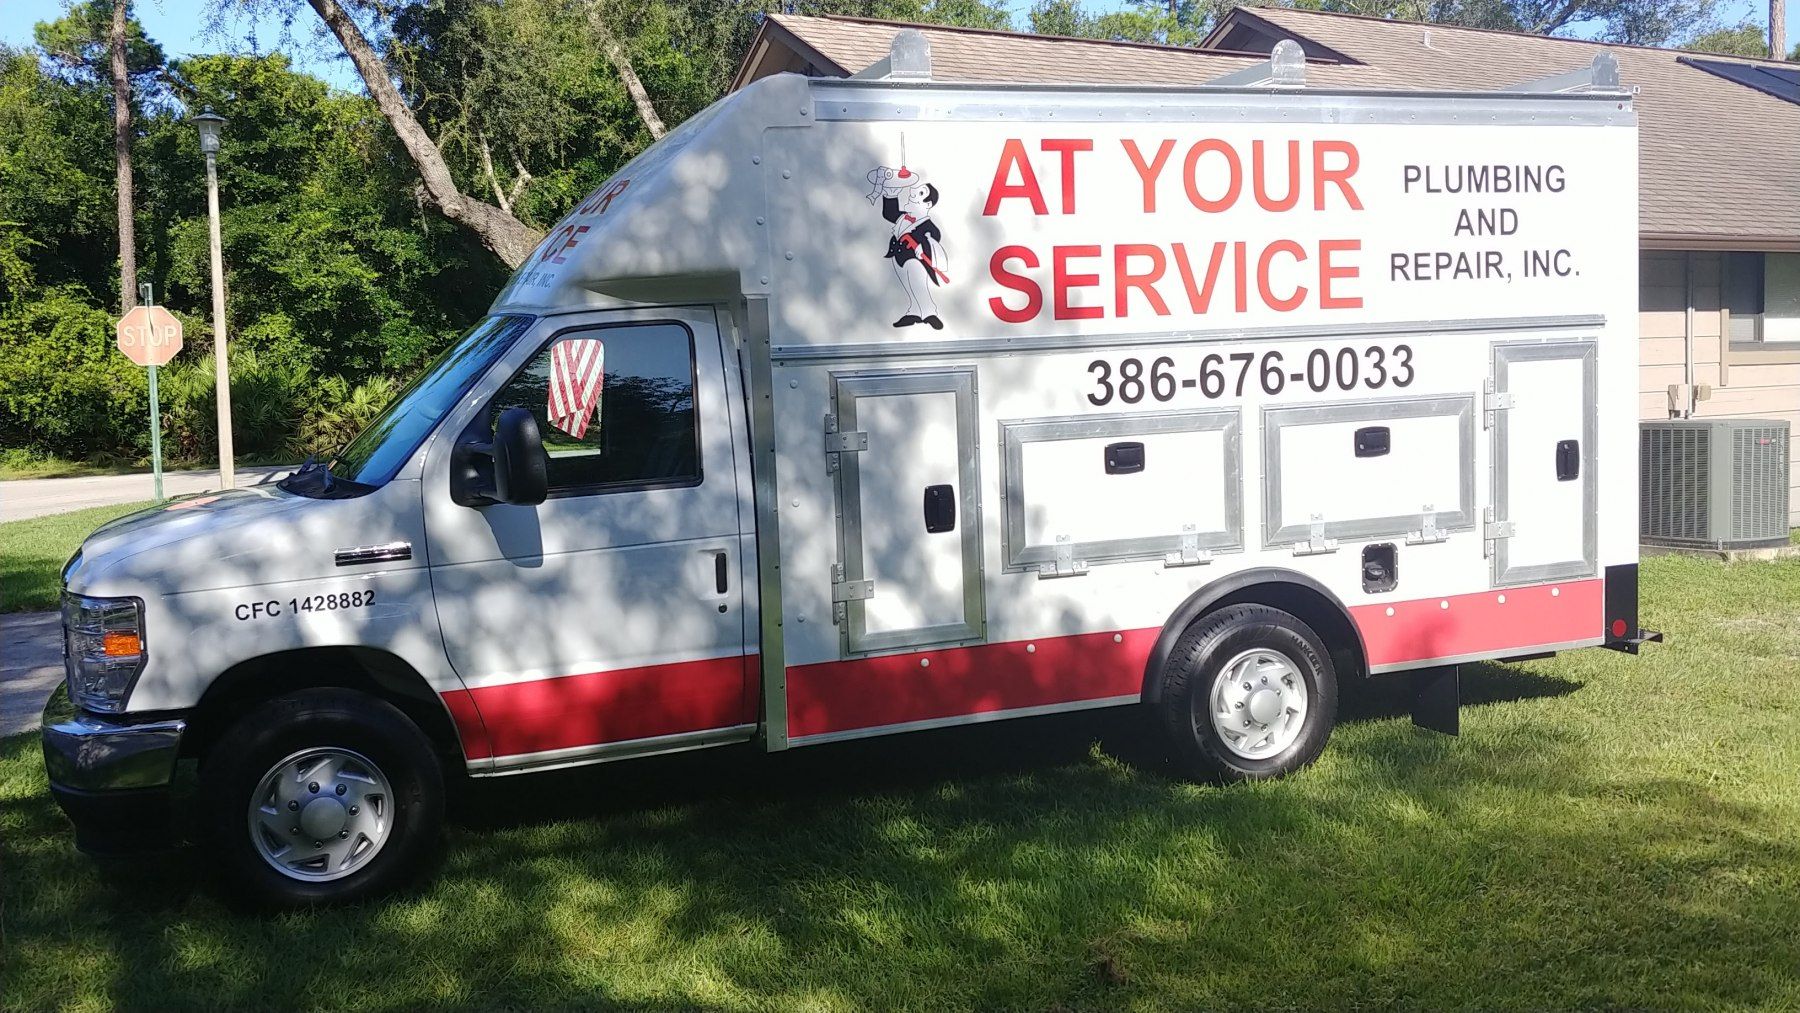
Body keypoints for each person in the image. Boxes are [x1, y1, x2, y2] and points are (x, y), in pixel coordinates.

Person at [866, 165, 949, 329]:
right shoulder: (905, 217)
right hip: (898, 257)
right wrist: (891, 190)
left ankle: (929, 313)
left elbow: (934, 238)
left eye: (920, 193)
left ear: (928, 203)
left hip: (915, 261)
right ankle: (914, 312)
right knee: (909, 287)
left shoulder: (928, 225)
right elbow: (889, 213)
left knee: (918, 285)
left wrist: (921, 247)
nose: (912, 194)